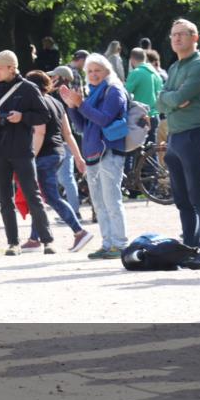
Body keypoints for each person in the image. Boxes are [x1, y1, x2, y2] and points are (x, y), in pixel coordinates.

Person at [0, 51, 55, 256]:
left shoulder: (29, 89)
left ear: (12, 68)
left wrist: (22, 117)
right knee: (5, 199)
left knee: (33, 195)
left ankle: (47, 240)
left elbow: (44, 115)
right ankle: (13, 243)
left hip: (22, 150)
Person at [155, 18, 200, 268]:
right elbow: (160, 100)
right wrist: (173, 100)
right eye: (173, 35)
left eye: (182, 34)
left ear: (195, 37)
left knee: (199, 194)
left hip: (196, 132)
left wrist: (172, 99)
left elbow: (180, 96)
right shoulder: (174, 67)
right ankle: (188, 247)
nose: (177, 38)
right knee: (181, 197)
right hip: (176, 135)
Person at [60, 54, 129, 259]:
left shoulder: (113, 90)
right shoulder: (92, 92)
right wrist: (72, 107)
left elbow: (104, 119)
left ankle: (120, 243)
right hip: (93, 154)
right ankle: (108, 243)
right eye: (89, 71)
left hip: (109, 152)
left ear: (107, 71)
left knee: (111, 199)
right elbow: (82, 127)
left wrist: (80, 104)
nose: (93, 74)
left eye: (97, 70)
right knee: (98, 203)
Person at [22, 71, 93, 253]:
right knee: (40, 197)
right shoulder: (56, 103)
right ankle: (35, 238)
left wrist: (30, 157)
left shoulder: (37, 104)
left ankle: (79, 231)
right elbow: (67, 134)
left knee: (51, 197)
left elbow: (40, 132)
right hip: (58, 153)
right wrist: (78, 157)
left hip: (43, 155)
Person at [47, 66, 83, 219]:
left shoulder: (62, 94)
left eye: (53, 77)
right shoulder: (66, 93)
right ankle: (72, 210)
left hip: (65, 140)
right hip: (66, 140)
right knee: (64, 178)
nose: (50, 79)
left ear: (60, 78)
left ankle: (73, 212)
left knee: (66, 178)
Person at [125, 47, 163, 142]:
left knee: (133, 151)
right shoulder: (156, 74)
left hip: (140, 118)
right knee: (150, 151)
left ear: (132, 60)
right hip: (154, 116)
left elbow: (125, 94)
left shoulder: (136, 73)